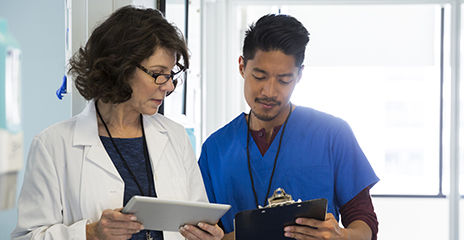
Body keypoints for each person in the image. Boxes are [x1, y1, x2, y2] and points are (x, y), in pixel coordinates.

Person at [12, 6, 223, 240]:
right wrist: (90, 233)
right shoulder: (53, 145)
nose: (169, 85)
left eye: (171, 74)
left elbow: (196, 221)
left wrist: (207, 236)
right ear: (121, 67)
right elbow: (26, 237)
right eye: (158, 73)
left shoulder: (175, 136)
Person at [199, 14, 379, 240]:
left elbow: (365, 224)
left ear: (299, 75)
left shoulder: (333, 135)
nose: (269, 92)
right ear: (242, 67)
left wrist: (341, 236)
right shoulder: (215, 148)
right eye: (259, 76)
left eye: (284, 80)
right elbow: (202, 231)